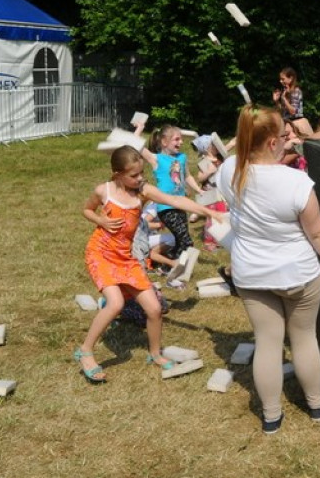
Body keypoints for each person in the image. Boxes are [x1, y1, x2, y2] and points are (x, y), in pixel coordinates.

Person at [215, 104, 320, 434]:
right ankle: (316, 405)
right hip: (298, 274)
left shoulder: (229, 169)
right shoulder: (296, 181)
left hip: (251, 274)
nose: (289, 140)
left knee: (267, 343)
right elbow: (318, 232)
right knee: (303, 338)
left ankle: (271, 417)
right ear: (272, 142)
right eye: (285, 135)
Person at [74, 146, 220, 383]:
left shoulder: (142, 192)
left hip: (126, 258)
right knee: (115, 303)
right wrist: (101, 219)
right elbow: (87, 210)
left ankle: (154, 354)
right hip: (100, 254)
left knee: (153, 309)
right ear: (117, 174)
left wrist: (205, 210)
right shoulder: (104, 191)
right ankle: (85, 351)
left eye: (142, 173)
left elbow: (174, 199)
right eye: (134, 175)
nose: (140, 178)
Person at [138, 125, 203, 285]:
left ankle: (168, 268)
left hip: (181, 205)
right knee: (187, 241)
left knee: (181, 241)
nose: (181, 142)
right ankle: (170, 268)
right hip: (165, 207)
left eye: (181, 139)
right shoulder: (156, 159)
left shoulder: (182, 157)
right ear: (164, 141)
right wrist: (139, 129)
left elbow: (187, 176)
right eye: (177, 139)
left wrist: (198, 190)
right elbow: (137, 146)